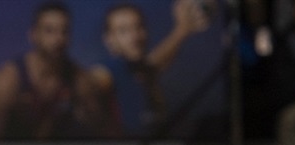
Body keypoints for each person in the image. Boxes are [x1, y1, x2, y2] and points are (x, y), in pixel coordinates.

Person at [88, 0, 212, 137]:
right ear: (109, 39)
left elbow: (155, 62)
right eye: (123, 31)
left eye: (139, 27)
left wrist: (183, 30)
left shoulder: (141, 71)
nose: (134, 36)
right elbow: (90, 84)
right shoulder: (109, 70)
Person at [0, 2, 105, 140]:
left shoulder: (78, 79)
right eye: (50, 31)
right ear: (33, 35)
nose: (58, 39)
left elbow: (102, 133)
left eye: (64, 31)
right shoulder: (11, 78)